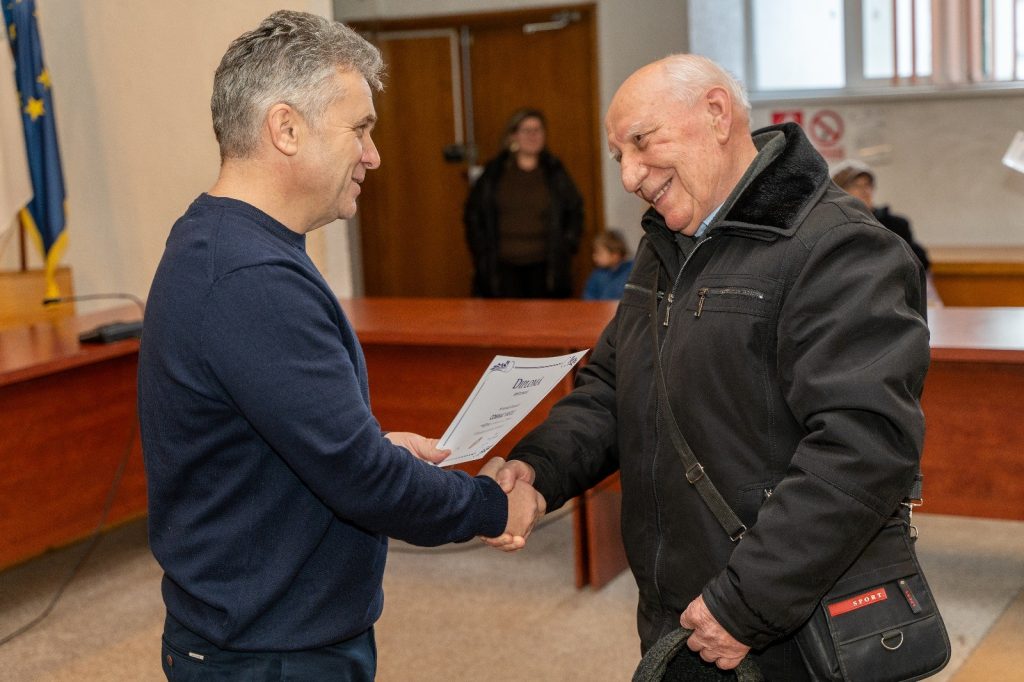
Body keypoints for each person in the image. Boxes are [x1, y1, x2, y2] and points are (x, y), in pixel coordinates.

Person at [487, 55, 929, 680]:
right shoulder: (664, 244)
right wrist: (538, 468)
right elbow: (612, 388)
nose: (630, 175)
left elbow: (864, 448)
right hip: (681, 612)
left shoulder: (840, 246)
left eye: (642, 142)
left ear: (718, 114)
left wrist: (744, 604)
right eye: (619, 156)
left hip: (779, 624)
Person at [137, 11, 542, 680]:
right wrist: (491, 506)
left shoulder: (230, 244)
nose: (373, 155)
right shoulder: (248, 275)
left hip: (273, 630)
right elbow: (362, 481)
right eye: (360, 129)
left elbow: (278, 434)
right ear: (286, 129)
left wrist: (368, 444)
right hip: (268, 653)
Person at [464, 107, 583, 298]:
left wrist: (567, 244)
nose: (533, 136)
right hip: (502, 269)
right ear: (513, 135)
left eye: (537, 130)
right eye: (526, 130)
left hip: (546, 269)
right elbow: (474, 213)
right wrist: (481, 251)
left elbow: (574, 209)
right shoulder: (494, 172)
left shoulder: (555, 171)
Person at [831, 158, 931, 271]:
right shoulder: (833, 228)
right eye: (856, 186)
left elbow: (920, 262)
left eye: (867, 185)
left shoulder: (895, 225)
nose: (864, 191)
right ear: (839, 192)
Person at [582, 229, 633, 300]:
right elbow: (588, 297)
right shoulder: (597, 274)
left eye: (599, 253)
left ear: (615, 255)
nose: (594, 256)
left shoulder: (632, 270)